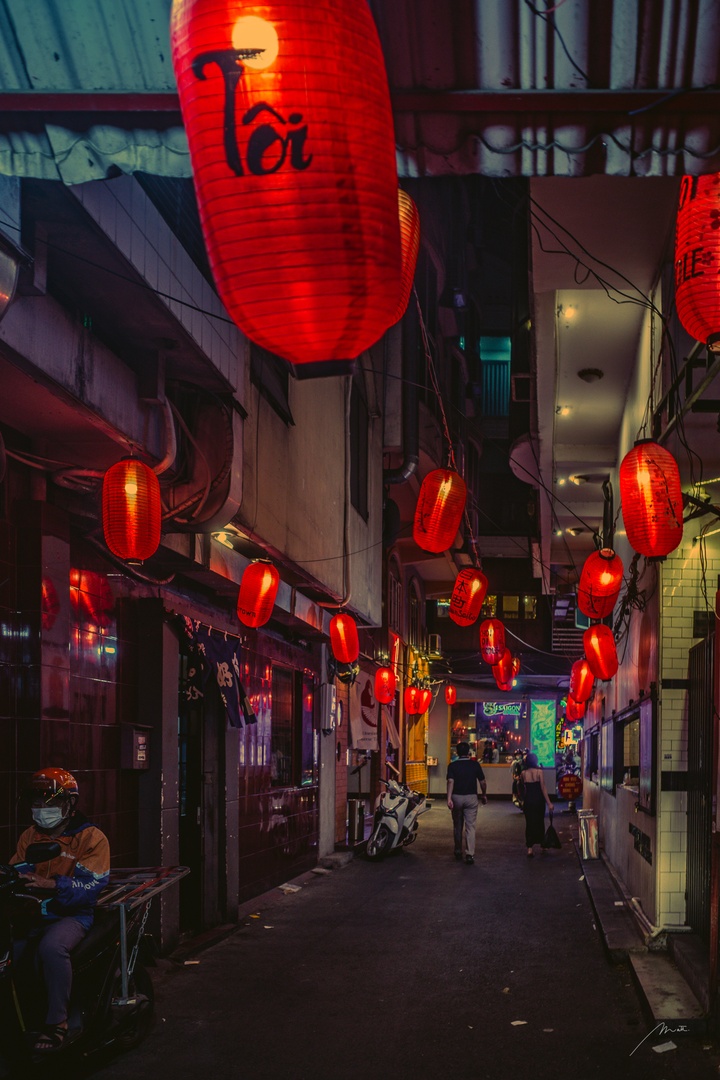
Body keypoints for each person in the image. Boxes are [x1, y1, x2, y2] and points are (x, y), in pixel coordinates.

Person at [10, 767, 110, 1052]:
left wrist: (51, 884)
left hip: (72, 915)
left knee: (51, 948)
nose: (43, 810)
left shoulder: (91, 838)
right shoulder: (30, 836)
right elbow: (19, 867)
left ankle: (58, 1022)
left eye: (50, 803)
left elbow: (92, 884)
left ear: (70, 804)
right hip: (32, 913)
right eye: (37, 803)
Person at [446, 741, 487, 864]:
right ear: (469, 752)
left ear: (457, 753)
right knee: (470, 827)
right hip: (471, 798)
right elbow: (483, 782)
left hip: (457, 797)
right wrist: (484, 794)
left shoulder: (452, 766)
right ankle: (469, 854)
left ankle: (458, 850)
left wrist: (449, 798)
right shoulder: (475, 765)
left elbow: (450, 782)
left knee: (457, 825)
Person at [520, 752, 553, 857]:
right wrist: (549, 803)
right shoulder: (539, 772)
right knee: (539, 821)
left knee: (529, 823)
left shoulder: (523, 773)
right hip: (538, 800)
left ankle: (530, 848)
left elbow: (522, 788)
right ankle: (542, 845)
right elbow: (543, 788)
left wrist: (522, 800)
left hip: (528, 800)